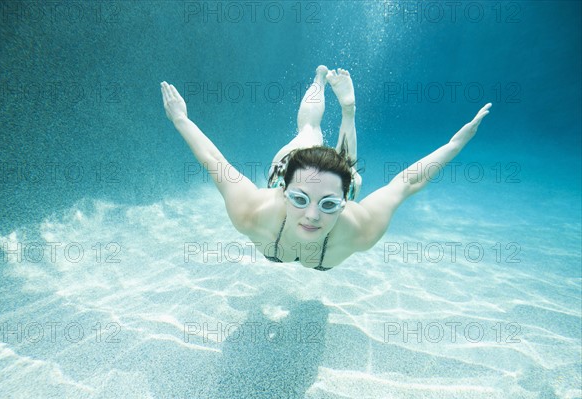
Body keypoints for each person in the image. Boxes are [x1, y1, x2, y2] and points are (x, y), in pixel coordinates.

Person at [161, 66, 491, 270]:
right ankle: (319, 80)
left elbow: (407, 183)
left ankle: (349, 112)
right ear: (284, 193)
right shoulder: (253, 210)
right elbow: (214, 161)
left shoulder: (360, 229)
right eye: (300, 200)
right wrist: (181, 119)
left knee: (350, 173)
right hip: (294, 165)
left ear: (344, 202)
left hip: (330, 183)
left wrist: (455, 145)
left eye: (329, 205)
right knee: (308, 130)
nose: (313, 216)